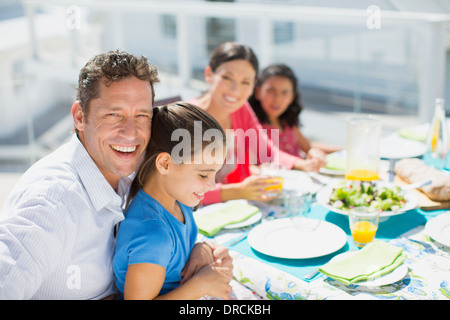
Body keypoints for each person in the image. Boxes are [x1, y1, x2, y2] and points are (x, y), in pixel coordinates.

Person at [0, 50, 231, 300]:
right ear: (80, 116)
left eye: (142, 115)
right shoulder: (51, 203)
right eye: (114, 114)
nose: (130, 132)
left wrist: (202, 249)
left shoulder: (129, 165)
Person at [113, 102, 232, 300]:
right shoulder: (153, 234)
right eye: (204, 175)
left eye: (214, 174)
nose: (212, 185)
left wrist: (200, 248)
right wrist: (200, 285)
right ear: (165, 163)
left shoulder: (179, 201)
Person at [190, 42, 327, 205]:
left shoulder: (240, 109)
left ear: (253, 86)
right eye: (227, 78)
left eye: (245, 82)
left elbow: (267, 151)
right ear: (209, 74)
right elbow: (182, 190)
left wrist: (304, 164)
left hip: (242, 208)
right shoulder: (186, 119)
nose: (235, 90)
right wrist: (238, 191)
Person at [249, 63, 341, 158]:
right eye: (271, 91)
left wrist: (343, 150)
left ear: (292, 97)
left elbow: (308, 147)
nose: (277, 99)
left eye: (284, 92)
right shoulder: (254, 127)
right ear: (258, 92)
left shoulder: (288, 123)